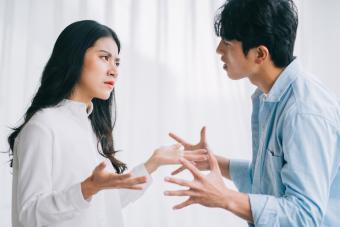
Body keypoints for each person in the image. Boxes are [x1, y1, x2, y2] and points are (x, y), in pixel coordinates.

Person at [8, 20, 208, 227]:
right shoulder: (42, 127)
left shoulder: (90, 128)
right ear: (74, 57)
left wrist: (152, 164)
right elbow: (29, 215)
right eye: (105, 58)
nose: (114, 70)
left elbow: (103, 205)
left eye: (117, 62)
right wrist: (87, 188)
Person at [164, 0, 340, 226]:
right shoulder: (272, 97)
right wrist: (214, 162)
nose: (219, 50)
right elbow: (269, 184)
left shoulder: (303, 111)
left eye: (227, 43)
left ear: (260, 54)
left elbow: (304, 215)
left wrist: (225, 197)